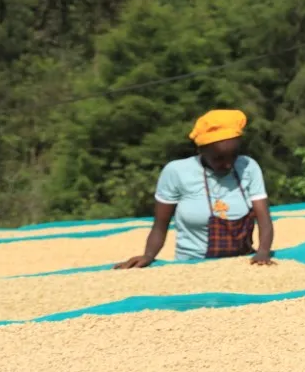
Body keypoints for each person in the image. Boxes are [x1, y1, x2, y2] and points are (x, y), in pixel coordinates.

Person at [117, 109, 274, 268]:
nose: (228, 165)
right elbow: (160, 226)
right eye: (218, 159)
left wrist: (263, 252)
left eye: (233, 156)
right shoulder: (176, 172)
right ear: (200, 151)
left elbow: (264, 219)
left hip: (241, 261)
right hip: (192, 264)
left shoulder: (248, 167)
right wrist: (148, 255)